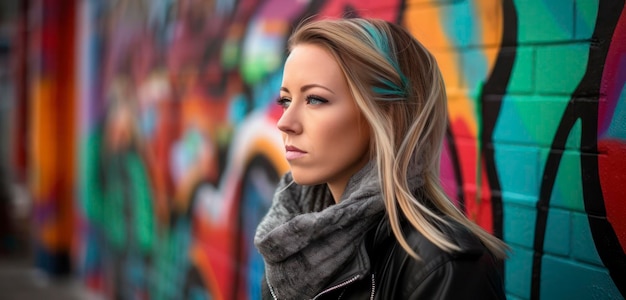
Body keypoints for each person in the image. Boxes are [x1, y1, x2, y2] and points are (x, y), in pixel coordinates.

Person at [254, 17, 509, 299]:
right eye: (285, 100)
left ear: (385, 117)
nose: (285, 122)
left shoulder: (445, 268)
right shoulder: (289, 240)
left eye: (315, 99)